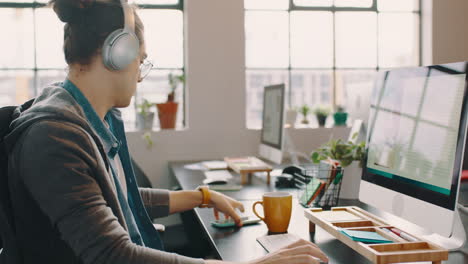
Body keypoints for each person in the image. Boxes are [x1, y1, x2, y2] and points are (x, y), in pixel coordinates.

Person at [4, 0, 329, 263]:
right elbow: (112, 254)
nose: (141, 76)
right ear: (118, 53)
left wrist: (201, 196)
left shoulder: (88, 119)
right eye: (141, 60)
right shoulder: (55, 136)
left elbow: (119, 198)